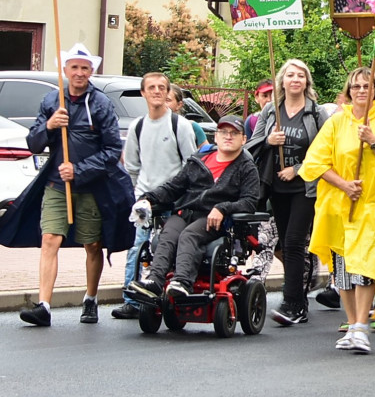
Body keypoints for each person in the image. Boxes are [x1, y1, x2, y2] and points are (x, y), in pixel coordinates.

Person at [7, 44, 134, 327]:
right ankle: (44, 305)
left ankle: (90, 299)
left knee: (92, 244)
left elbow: (113, 151)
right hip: (55, 184)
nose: (79, 73)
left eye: (84, 68)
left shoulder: (101, 104)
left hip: (91, 186)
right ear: (64, 71)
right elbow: (33, 143)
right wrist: (49, 126)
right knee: (49, 239)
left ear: (91, 72)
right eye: (74, 68)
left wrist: (79, 170)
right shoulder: (52, 101)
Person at [300, 68, 375, 354]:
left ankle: (363, 325)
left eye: (367, 86)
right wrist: (344, 185)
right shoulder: (337, 122)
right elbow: (315, 163)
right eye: (356, 86)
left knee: (366, 268)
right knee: (344, 271)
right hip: (341, 207)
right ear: (349, 90)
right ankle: (352, 325)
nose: (361, 91)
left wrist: (374, 142)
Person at [128, 115, 260, 299]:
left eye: (234, 133)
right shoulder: (199, 160)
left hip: (214, 220)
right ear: (216, 136)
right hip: (186, 212)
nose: (228, 136)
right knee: (168, 234)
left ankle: (182, 282)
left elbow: (249, 201)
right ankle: (155, 282)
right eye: (223, 132)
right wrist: (147, 199)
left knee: (189, 235)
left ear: (243, 139)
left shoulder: (246, 167)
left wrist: (223, 208)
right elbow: (174, 187)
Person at [245, 59, 328, 326]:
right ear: (282, 80)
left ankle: (292, 302)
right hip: (276, 186)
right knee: (285, 243)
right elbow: (250, 146)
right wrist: (269, 141)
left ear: (306, 82)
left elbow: (326, 151)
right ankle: (299, 301)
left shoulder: (316, 113)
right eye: (290, 75)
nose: (295, 79)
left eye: (300, 76)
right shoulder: (271, 111)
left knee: (294, 242)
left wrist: (298, 168)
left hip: (305, 187)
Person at [114, 72, 198, 320]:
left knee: (165, 249)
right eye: (151, 87)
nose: (157, 91)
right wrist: (140, 196)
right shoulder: (137, 126)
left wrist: (179, 195)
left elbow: (190, 165)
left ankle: (166, 297)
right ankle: (132, 299)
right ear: (143, 93)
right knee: (138, 248)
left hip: (173, 201)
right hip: (146, 201)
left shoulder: (179, 125)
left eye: (162, 87)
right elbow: (132, 166)